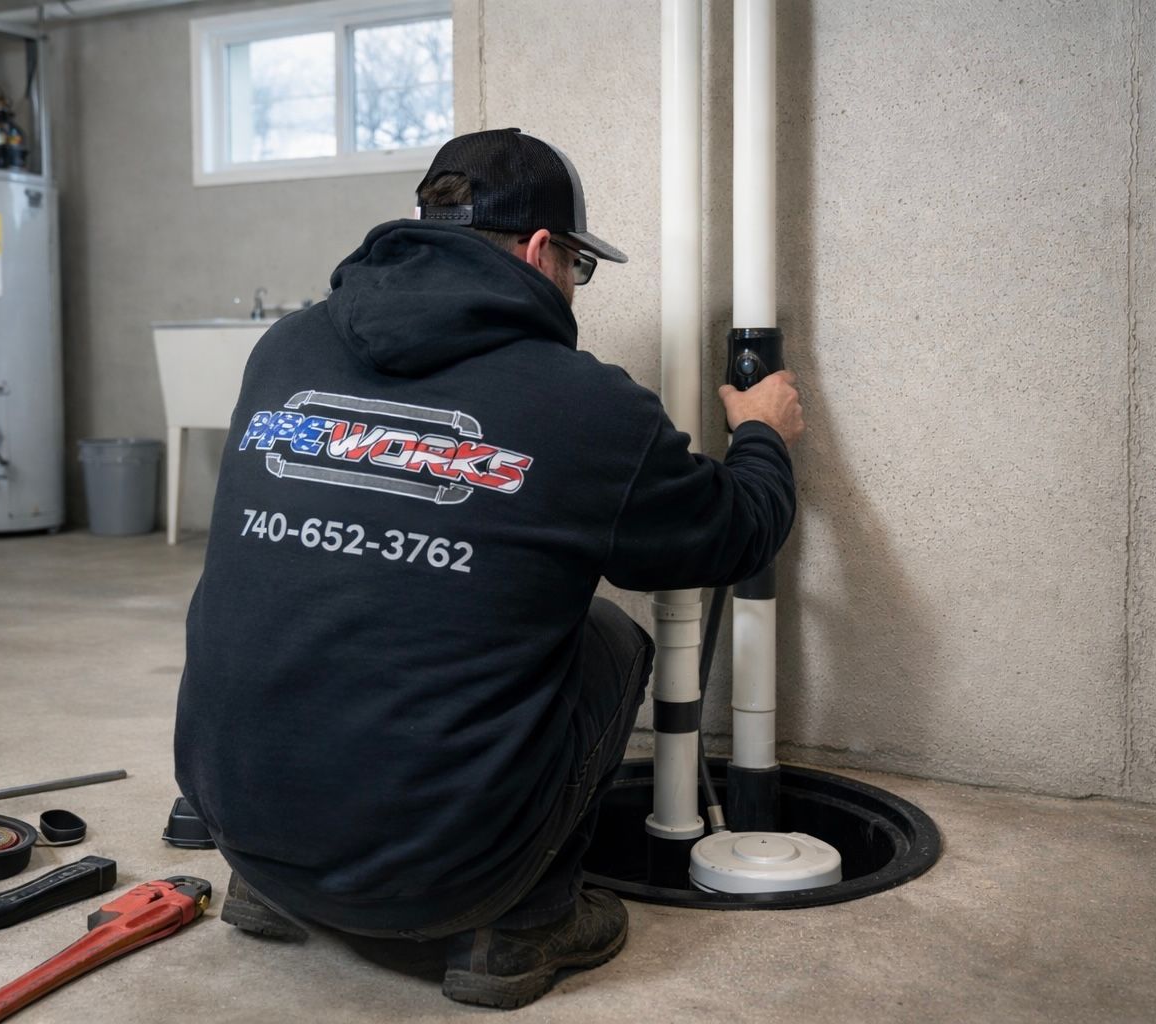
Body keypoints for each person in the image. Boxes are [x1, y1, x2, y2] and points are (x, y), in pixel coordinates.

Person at [173, 127, 803, 1009]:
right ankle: (523, 922)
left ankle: (277, 884)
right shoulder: (581, 401)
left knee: (318, 596)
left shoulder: (286, 348)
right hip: (441, 878)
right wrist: (764, 435)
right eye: (579, 267)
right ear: (544, 249)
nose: (573, 289)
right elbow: (734, 535)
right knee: (609, 639)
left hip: (235, 826)